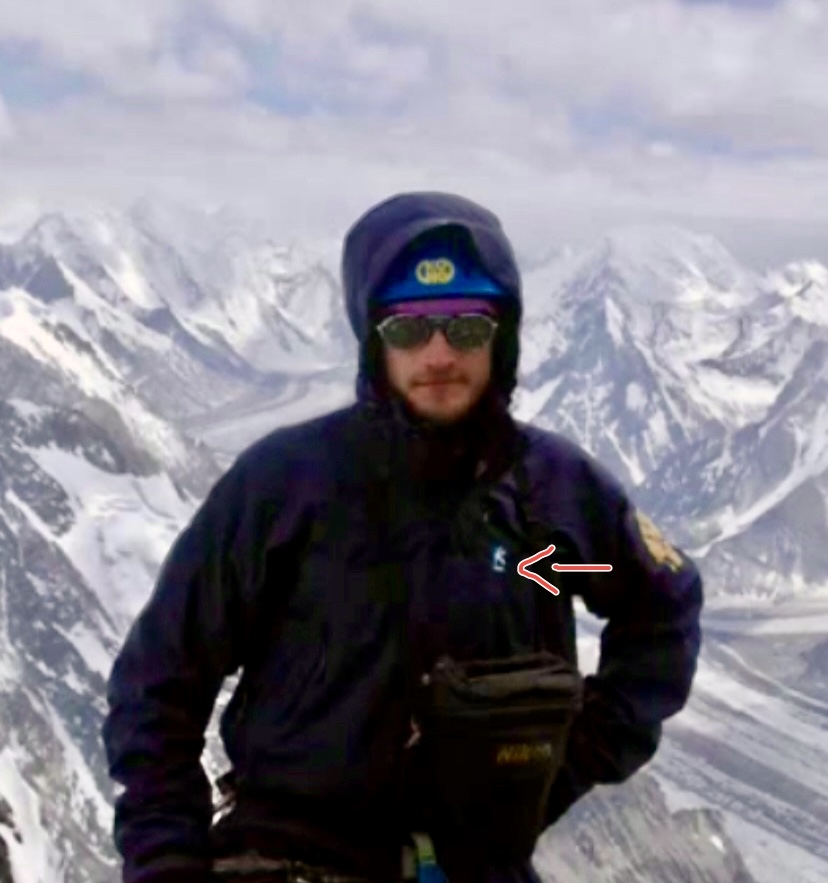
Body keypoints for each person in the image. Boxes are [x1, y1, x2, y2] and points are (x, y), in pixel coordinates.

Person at [102, 192, 703, 883]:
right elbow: (159, 682)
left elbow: (662, 608)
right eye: (409, 328)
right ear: (373, 338)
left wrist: (570, 761)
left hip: (479, 864)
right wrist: (166, 862)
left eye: (467, 327)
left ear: (501, 337)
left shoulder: (554, 500)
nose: (439, 353)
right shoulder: (285, 488)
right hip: (287, 858)